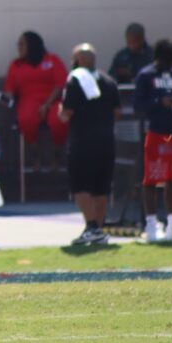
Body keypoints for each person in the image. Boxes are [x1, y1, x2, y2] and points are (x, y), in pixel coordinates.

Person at [59, 43, 121, 245]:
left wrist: (61, 111)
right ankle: (98, 230)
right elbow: (117, 112)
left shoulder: (75, 79)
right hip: (106, 142)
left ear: (80, 60)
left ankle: (92, 226)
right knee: (100, 188)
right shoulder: (109, 81)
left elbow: (67, 112)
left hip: (82, 142)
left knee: (81, 186)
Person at [134, 39, 172, 243]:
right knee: (151, 179)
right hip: (158, 133)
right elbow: (138, 105)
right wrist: (160, 102)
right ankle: (151, 225)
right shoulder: (146, 75)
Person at [0, 31, 68, 171]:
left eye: (22, 43)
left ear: (32, 45)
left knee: (59, 119)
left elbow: (61, 84)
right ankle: (35, 154)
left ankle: (56, 155)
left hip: (52, 100)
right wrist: (5, 98)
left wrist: (47, 105)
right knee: (26, 118)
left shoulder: (51, 60)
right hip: (28, 100)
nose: (18, 47)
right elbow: (10, 89)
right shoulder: (16, 65)